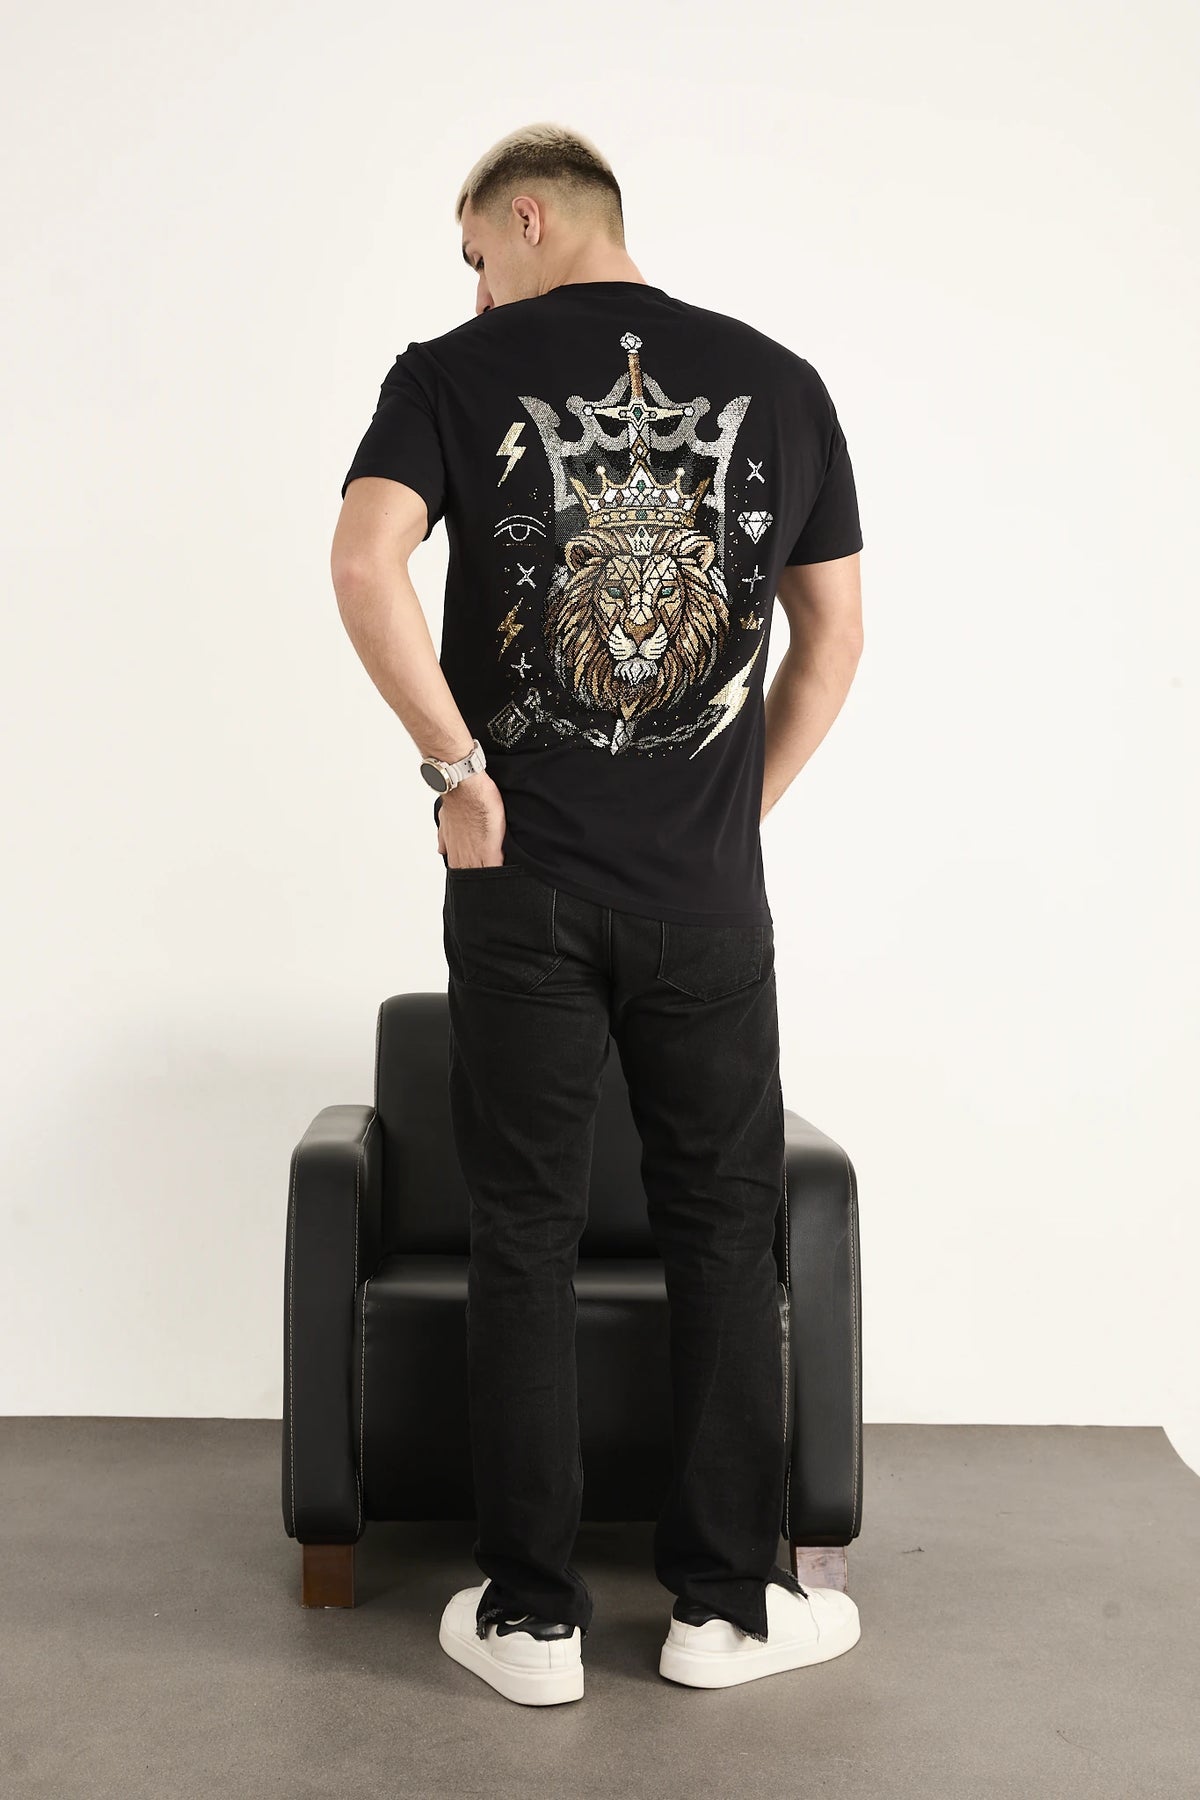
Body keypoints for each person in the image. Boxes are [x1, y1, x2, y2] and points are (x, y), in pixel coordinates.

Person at [331, 121, 865, 1706]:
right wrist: (731, 810)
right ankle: (724, 1613)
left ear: (531, 214)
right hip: (707, 906)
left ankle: (532, 1622)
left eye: (475, 253)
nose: (471, 290)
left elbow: (363, 565)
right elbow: (835, 635)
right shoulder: (781, 381)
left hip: (523, 892)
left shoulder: (446, 374)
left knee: (523, 1234)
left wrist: (459, 772)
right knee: (724, 1232)